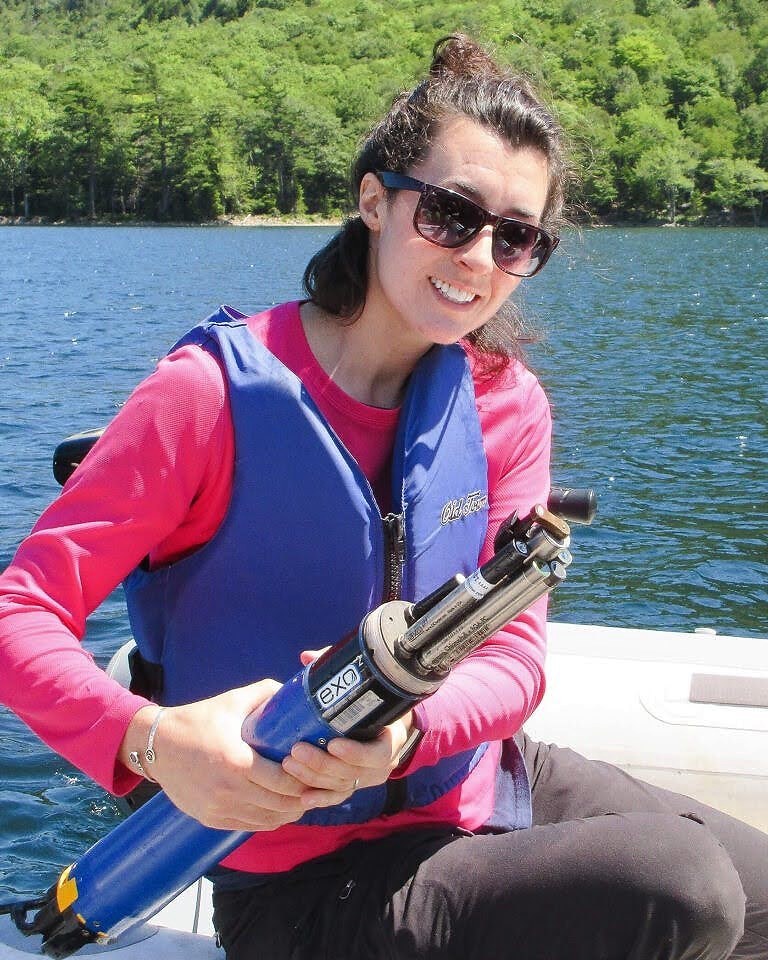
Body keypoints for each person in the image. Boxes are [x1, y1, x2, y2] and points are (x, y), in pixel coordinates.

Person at [0, 33, 766, 960]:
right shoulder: (208, 396)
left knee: (754, 893)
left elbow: (516, 654)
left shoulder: (505, 405)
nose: (480, 255)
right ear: (374, 200)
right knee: (679, 887)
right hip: (300, 883)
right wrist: (150, 742)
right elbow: (22, 611)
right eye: (450, 213)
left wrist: (409, 731)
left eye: (517, 236)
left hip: (466, 785)